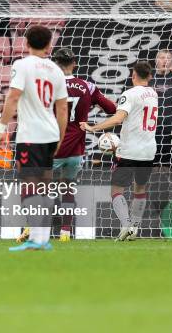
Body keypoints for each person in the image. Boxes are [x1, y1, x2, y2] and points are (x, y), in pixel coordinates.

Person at [0, 25, 68, 251]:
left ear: (26, 43)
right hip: (50, 134)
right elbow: (63, 109)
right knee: (45, 187)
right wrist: (60, 137)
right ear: (49, 45)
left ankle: (36, 239)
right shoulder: (57, 70)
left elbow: (13, 97)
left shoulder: (22, 65)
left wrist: (1, 126)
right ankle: (42, 239)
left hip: (30, 135)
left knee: (29, 187)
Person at [42, 48, 116, 242]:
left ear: (54, 64)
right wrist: (91, 110)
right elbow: (112, 109)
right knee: (67, 189)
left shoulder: (47, 86)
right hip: (76, 150)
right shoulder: (88, 87)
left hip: (53, 148)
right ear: (74, 62)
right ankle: (65, 232)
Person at [81, 61, 158, 241]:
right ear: (150, 76)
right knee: (140, 189)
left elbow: (118, 118)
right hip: (148, 150)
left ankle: (126, 224)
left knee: (116, 189)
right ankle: (135, 229)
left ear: (133, 75)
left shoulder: (129, 94)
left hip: (129, 150)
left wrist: (93, 128)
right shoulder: (153, 93)